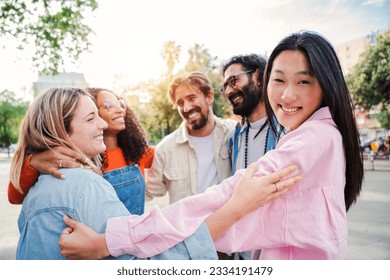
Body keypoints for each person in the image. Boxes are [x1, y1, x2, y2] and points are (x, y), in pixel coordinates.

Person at [58, 31, 363, 260]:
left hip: (213, 238)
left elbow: (219, 198)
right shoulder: (185, 145)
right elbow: (146, 187)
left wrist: (107, 241)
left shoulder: (265, 136)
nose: (287, 95)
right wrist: (52, 155)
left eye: (304, 81)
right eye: (279, 81)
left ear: (208, 98)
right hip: (207, 242)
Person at [10, 87, 300, 259]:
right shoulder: (85, 185)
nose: (103, 122)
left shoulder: (42, 186)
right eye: (93, 116)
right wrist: (235, 209)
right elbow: (148, 263)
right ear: (60, 129)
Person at [8, 87, 154, 215]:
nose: (121, 109)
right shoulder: (71, 158)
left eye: (121, 104)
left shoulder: (136, 152)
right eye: (108, 105)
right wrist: (32, 163)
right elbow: (15, 196)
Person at [220, 54, 281, 260]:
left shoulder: (287, 130)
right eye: (225, 87)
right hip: (241, 252)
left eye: (233, 81)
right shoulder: (233, 138)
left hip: (275, 250)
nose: (228, 91)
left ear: (257, 76)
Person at [146, 72, 234, 204]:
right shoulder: (165, 149)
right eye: (180, 103)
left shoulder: (233, 134)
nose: (186, 108)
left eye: (192, 98)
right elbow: (148, 193)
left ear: (209, 97)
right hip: (186, 225)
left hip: (227, 222)